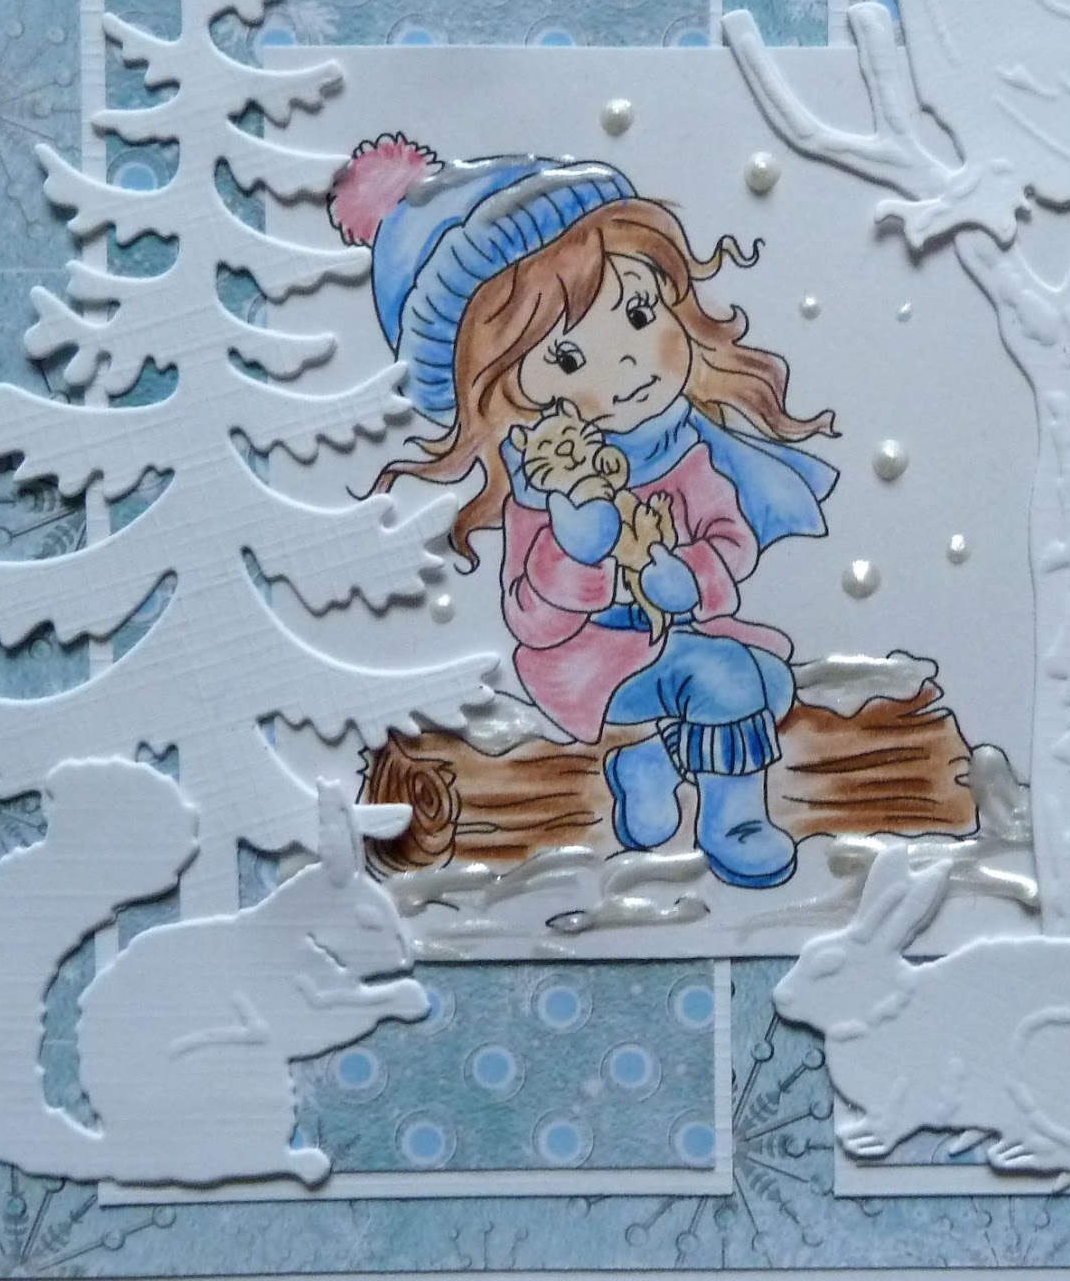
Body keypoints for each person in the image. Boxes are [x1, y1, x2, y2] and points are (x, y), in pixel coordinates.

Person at [329, 136, 837, 887]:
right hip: (589, 660)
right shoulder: (547, 480)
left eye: (638, 311)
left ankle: (647, 761)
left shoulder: (687, 449)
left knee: (768, 678)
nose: (627, 362)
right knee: (730, 681)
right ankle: (732, 821)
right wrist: (581, 546)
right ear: (506, 387)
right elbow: (534, 618)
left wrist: (690, 575)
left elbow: (727, 536)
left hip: (678, 636)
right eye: (567, 358)